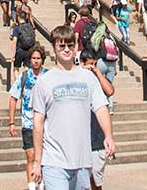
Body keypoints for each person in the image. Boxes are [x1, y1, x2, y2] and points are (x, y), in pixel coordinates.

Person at [30, 26, 115, 190]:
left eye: (70, 45)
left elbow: (101, 108)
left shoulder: (88, 78)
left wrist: (108, 136)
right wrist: (37, 161)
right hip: (54, 160)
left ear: (76, 47)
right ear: (54, 48)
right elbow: (38, 123)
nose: (66, 49)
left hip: (82, 160)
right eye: (61, 45)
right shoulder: (44, 82)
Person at [10, 44, 50, 190]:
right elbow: (13, 97)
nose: (36, 61)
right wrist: (11, 122)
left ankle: (44, 183)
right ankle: (32, 185)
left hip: (46, 123)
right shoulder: (24, 76)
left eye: (38, 58)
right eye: (33, 58)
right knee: (31, 155)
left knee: (44, 155)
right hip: (28, 122)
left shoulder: (48, 76)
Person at [80, 49, 116, 190]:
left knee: (96, 180)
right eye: (89, 64)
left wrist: (97, 72)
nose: (92, 67)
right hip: (81, 138)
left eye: (94, 64)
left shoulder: (97, 79)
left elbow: (110, 91)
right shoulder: (77, 77)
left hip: (96, 137)